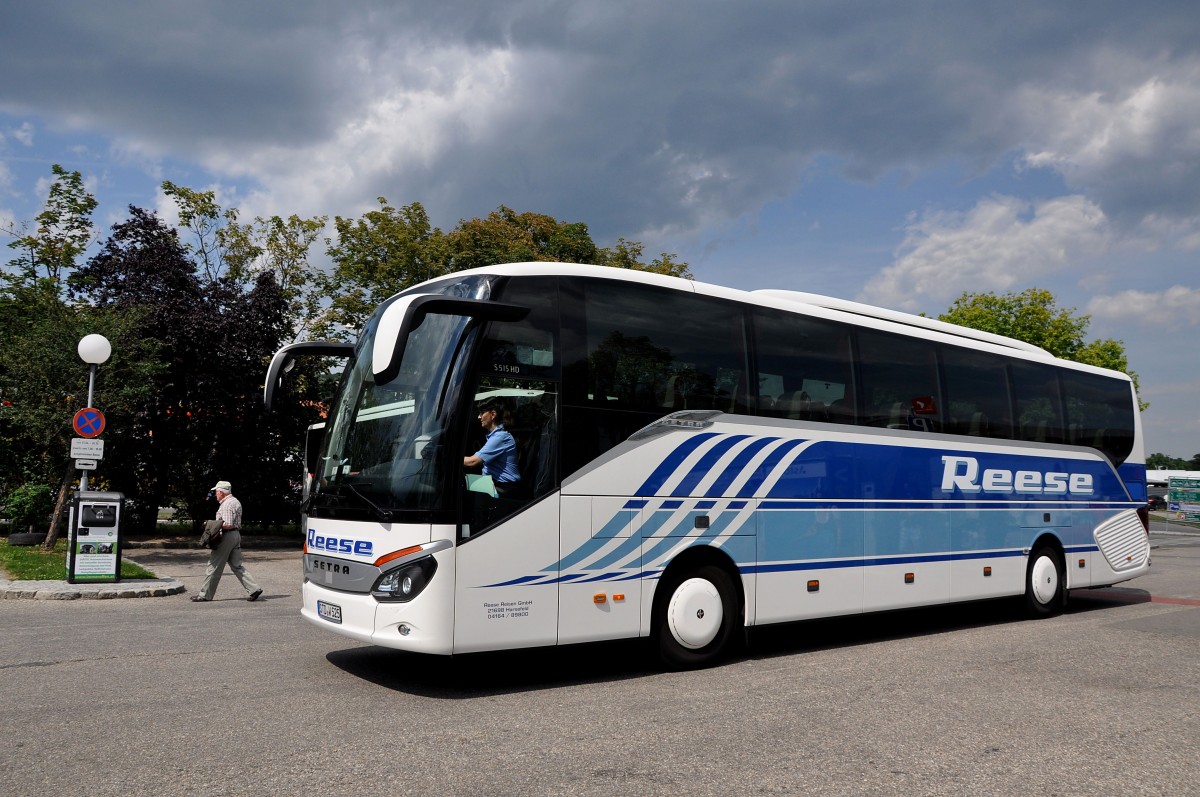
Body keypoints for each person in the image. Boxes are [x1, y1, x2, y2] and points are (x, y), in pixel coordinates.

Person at [191, 480, 264, 602]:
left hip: (227, 537)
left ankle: (204, 595)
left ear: (221, 492)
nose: (215, 494)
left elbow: (228, 524)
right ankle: (254, 589)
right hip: (235, 535)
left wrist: (210, 524)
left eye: (216, 492)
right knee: (237, 565)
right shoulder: (235, 501)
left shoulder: (227, 504)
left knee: (214, 565)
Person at [463, 399, 521, 497]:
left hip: (504, 488)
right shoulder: (495, 436)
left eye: (482, 413)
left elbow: (473, 462)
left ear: (493, 414)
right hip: (493, 483)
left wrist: (452, 459)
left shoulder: (500, 437)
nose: (479, 417)